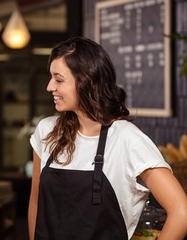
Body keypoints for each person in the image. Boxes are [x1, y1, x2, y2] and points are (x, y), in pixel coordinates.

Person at [28, 37, 187, 240]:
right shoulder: (47, 130)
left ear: (88, 81)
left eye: (59, 79)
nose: (50, 87)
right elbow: (35, 201)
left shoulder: (126, 139)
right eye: (51, 78)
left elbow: (181, 212)